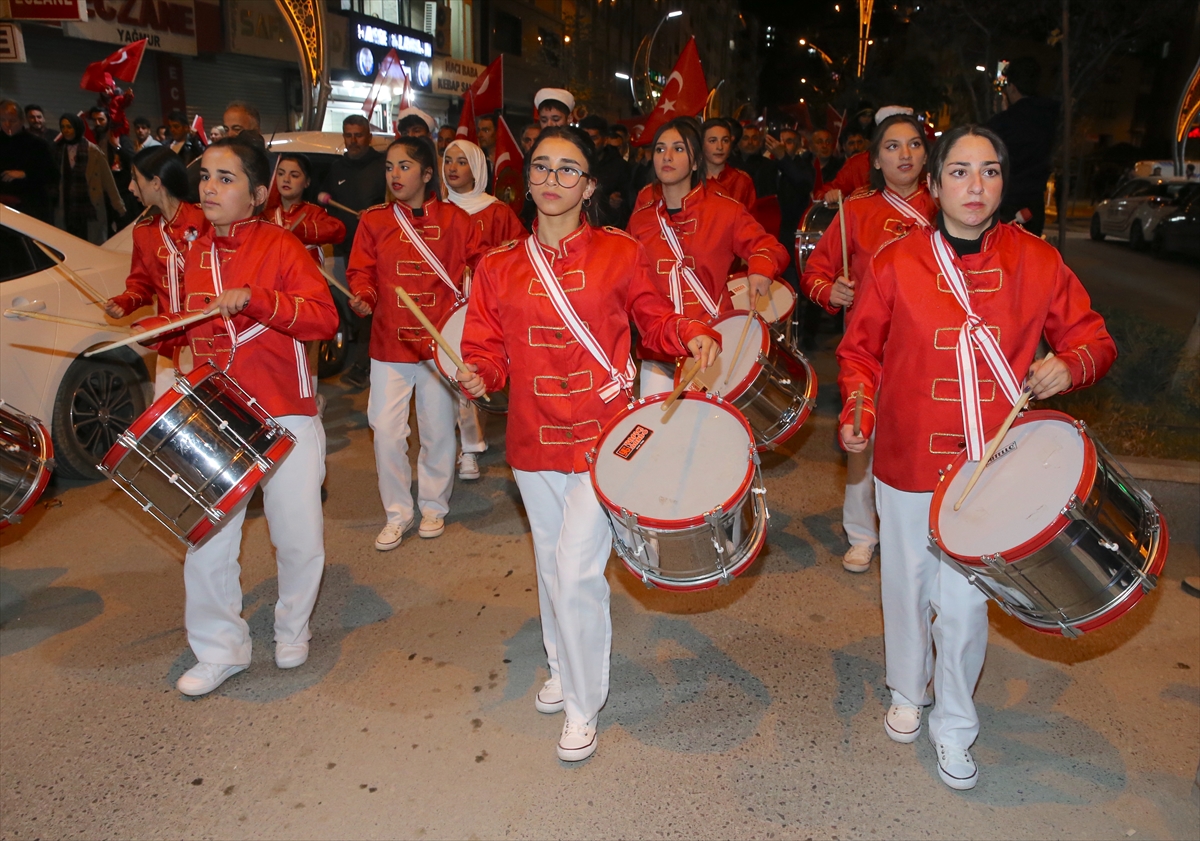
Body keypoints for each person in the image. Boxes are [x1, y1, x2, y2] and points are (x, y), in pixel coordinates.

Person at [837, 124, 1116, 790]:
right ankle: (908, 686)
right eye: (958, 172)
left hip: (992, 465)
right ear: (933, 186)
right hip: (906, 459)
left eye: (989, 172)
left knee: (963, 604)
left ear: (1004, 182)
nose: (975, 185)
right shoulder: (897, 261)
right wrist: (859, 409)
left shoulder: (1037, 261)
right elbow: (859, 353)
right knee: (904, 584)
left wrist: (1066, 367)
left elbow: (1095, 340)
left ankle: (956, 725)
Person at [457, 126, 721, 762]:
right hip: (531, 436)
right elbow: (484, 348)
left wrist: (691, 333)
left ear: (590, 185)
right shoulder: (496, 268)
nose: (551, 180)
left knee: (577, 570)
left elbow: (654, 317)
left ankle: (582, 702)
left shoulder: (621, 253)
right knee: (551, 562)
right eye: (541, 168)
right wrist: (476, 373)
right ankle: (560, 663)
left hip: (604, 437)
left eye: (567, 170)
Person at [131, 136, 338, 696]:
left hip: (283, 412)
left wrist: (257, 299)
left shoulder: (281, 246)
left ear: (257, 193)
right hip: (217, 415)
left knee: (298, 538)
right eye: (205, 177)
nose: (209, 187)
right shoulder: (194, 251)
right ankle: (221, 648)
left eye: (226, 178)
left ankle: (293, 627)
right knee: (207, 540)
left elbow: (323, 320)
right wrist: (157, 328)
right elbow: (196, 327)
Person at [800, 108, 938, 573]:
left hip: (928, 348)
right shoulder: (855, 210)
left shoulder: (944, 206)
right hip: (868, 347)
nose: (905, 154)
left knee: (923, 441)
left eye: (914, 145)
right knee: (862, 434)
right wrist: (831, 291)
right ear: (875, 159)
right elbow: (814, 273)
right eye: (892, 146)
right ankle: (862, 534)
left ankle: (928, 532)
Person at [346, 136, 485, 551]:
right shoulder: (373, 220)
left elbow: (483, 264)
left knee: (438, 430)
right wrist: (364, 297)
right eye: (389, 167)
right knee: (386, 431)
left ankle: (433, 506)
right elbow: (361, 271)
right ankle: (397, 512)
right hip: (389, 342)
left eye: (405, 166)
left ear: (428, 174)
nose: (395, 175)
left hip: (438, 346)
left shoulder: (457, 220)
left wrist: (475, 305)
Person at [627, 117, 787, 395]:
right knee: (662, 435)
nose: (666, 156)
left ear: (696, 161)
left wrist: (761, 267)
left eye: (678, 149)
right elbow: (627, 279)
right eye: (660, 149)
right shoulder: (641, 219)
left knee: (709, 433)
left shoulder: (725, 210)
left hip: (712, 340)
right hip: (658, 347)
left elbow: (768, 246)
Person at [441, 138, 524, 481]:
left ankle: (473, 446)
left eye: (462, 161)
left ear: (476, 168)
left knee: (475, 367)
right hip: (447, 299)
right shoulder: (436, 210)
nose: (453, 168)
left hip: (484, 297)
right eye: (448, 160)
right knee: (452, 373)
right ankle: (461, 447)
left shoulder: (497, 211)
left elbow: (517, 253)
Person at [104, 145, 209, 397]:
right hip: (168, 345)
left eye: (135, 178)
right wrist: (125, 302)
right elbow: (141, 284)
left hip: (208, 341)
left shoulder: (206, 221)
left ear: (156, 182)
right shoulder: (144, 231)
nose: (130, 187)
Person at [318, 114, 387, 390]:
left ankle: (366, 364)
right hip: (345, 251)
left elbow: (393, 203)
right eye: (349, 135)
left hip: (377, 251)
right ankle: (364, 360)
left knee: (371, 308)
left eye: (359, 135)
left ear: (369, 136)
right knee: (356, 308)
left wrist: (374, 215)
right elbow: (325, 202)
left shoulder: (382, 166)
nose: (354, 140)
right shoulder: (337, 168)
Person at [986, 56, 1058, 235]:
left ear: (1012, 87)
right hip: (1034, 203)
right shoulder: (1051, 117)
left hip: (1006, 203)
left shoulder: (1004, 123)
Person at [54, 112, 125, 243]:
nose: (66, 130)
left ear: (77, 127)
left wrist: (119, 208)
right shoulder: (58, 150)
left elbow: (109, 182)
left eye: (69, 126)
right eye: (63, 127)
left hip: (90, 209)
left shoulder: (93, 151)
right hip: (66, 208)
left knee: (91, 244)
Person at [0, 100, 57, 224]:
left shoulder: (37, 144)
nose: (7, 124)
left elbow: (52, 174)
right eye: (3, 120)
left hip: (30, 207)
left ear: (21, 120)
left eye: (12, 120)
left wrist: (26, 173)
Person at [88, 106, 137, 231]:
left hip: (121, 192)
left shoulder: (120, 137)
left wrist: (117, 147)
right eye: (94, 120)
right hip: (102, 194)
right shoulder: (93, 139)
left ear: (108, 120)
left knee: (126, 228)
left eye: (101, 120)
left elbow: (132, 159)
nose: (97, 123)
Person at [579, 114, 630, 227]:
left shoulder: (620, 167)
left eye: (593, 138)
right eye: (584, 138)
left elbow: (629, 203)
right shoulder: (572, 163)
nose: (588, 143)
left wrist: (615, 204)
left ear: (605, 140)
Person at [699, 117, 755, 208]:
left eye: (725, 140)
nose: (720, 147)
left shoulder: (742, 181)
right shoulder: (691, 180)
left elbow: (751, 219)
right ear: (702, 144)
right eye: (713, 141)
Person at [819, 127, 871, 201]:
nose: (856, 147)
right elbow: (824, 192)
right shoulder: (846, 166)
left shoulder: (869, 159)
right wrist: (830, 195)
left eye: (859, 142)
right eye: (851, 143)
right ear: (843, 146)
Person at [734, 122, 777, 198]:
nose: (750, 142)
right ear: (738, 143)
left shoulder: (769, 166)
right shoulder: (730, 165)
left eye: (754, 138)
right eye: (745, 138)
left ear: (760, 142)